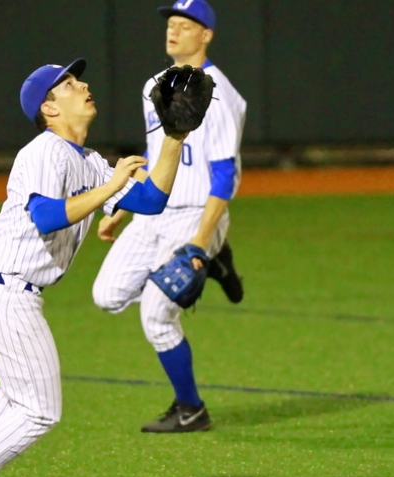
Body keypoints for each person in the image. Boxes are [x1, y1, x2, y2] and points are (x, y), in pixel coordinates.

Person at [0, 58, 192, 477]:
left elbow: (150, 201)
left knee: (15, 394)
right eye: (69, 84)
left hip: (0, 289)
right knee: (39, 410)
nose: (83, 85)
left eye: (79, 79)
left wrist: (173, 138)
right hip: (3, 291)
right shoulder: (45, 151)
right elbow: (46, 216)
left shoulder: (87, 161)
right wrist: (110, 186)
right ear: (49, 108)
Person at [92, 0, 247, 433]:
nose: (173, 30)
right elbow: (154, 154)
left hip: (196, 215)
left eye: (185, 25)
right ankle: (214, 263)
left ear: (206, 35)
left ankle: (191, 408)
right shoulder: (154, 86)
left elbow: (225, 177)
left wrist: (200, 240)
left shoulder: (222, 95)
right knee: (106, 296)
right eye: (171, 23)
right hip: (154, 213)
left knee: (157, 315)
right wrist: (124, 207)